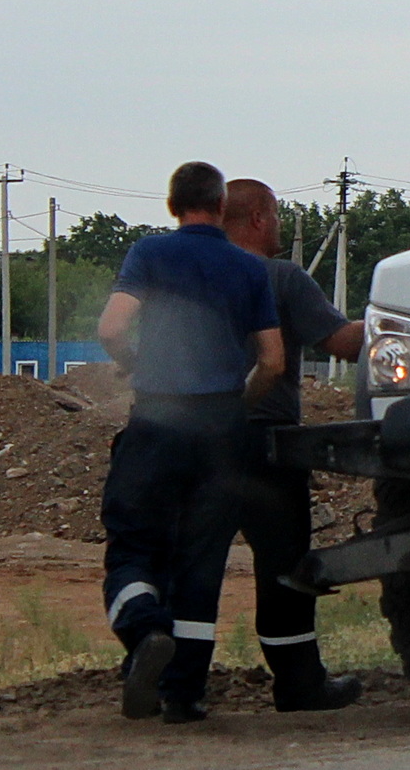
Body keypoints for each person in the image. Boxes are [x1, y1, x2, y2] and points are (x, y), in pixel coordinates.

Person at [96, 162, 284, 724]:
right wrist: (236, 406)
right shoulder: (249, 269)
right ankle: (185, 697)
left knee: (133, 543)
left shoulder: (150, 254)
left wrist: (139, 367)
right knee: (202, 561)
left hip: (157, 420)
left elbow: (110, 329)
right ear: (221, 206)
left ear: (173, 204)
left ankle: (145, 628)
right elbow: (273, 361)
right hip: (222, 432)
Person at [222, 178, 365, 712]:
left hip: (195, 439)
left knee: (192, 560)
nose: (279, 227)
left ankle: (177, 686)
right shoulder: (281, 277)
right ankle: (299, 684)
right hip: (266, 442)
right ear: (258, 218)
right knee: (282, 566)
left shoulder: (191, 279)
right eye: (277, 216)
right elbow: (340, 343)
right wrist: (400, 323)